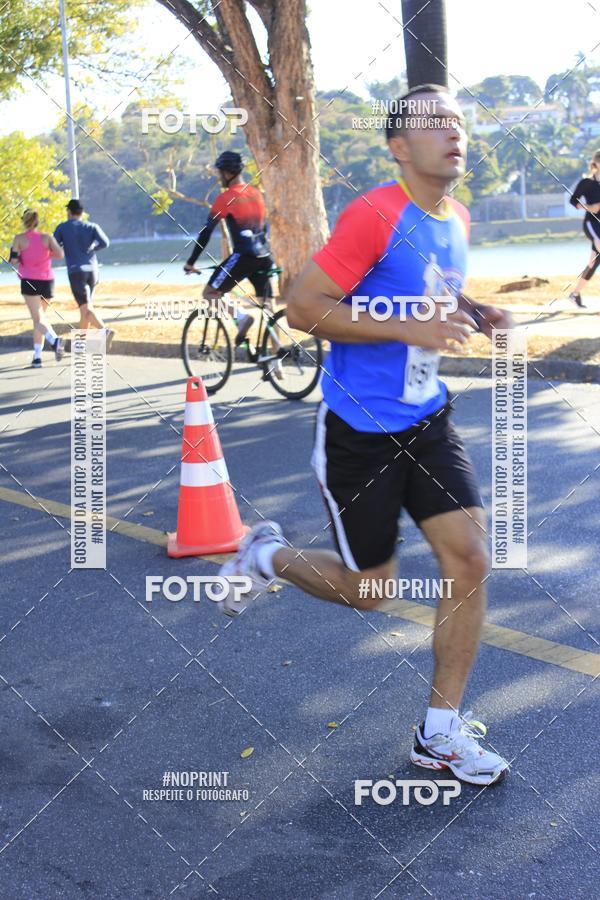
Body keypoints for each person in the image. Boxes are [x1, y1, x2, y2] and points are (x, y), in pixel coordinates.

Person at [219, 86, 515, 786]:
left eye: (459, 121)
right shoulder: (374, 214)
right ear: (397, 147)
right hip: (362, 431)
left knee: (470, 561)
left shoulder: (456, 218)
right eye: (434, 123)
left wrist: (477, 309)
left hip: (429, 420)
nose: (454, 133)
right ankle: (269, 556)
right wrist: (407, 328)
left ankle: (439, 734)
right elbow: (301, 306)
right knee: (369, 592)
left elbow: (431, 286)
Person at [184, 151, 275, 346]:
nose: (219, 176)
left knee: (210, 293)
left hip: (243, 257)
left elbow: (206, 233)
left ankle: (242, 318)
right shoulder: (257, 194)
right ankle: (276, 358)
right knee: (268, 306)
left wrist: (191, 262)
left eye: (220, 172)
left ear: (227, 173)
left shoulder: (226, 198)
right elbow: (264, 227)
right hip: (265, 255)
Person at [54, 199, 114, 346]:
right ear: (82, 212)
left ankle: (104, 330)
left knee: (85, 307)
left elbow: (54, 245)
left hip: (76, 271)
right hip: (92, 270)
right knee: (86, 307)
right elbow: (105, 242)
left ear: (69, 211)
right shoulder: (91, 226)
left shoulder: (63, 227)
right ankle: (81, 342)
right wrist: (92, 248)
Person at [10, 209, 65, 367]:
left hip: (29, 280)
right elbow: (60, 254)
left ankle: (54, 341)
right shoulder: (47, 237)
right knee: (40, 318)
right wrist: (47, 254)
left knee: (38, 318)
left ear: (24, 221)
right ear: (37, 221)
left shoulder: (19, 238)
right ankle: (37, 357)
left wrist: (21, 256)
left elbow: (13, 261)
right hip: (47, 281)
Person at [568, 150, 600, 308]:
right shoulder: (587, 182)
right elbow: (573, 200)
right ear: (595, 163)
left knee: (593, 263)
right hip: (592, 224)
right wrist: (590, 207)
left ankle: (575, 294)